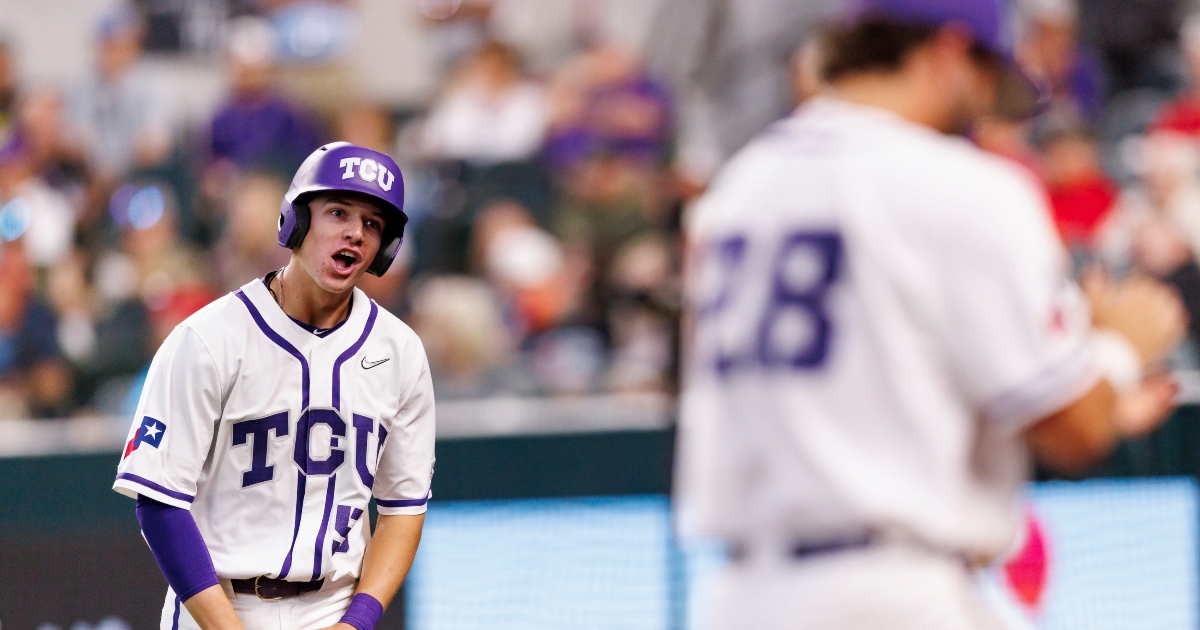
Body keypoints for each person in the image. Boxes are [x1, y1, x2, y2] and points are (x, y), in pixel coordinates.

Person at [673, 1, 1187, 629]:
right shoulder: (953, 184)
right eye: (983, 79)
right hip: (888, 591)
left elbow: (867, 396)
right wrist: (1115, 351)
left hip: (742, 596)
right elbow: (1074, 431)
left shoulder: (740, 191)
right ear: (946, 53)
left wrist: (1094, 393)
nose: (983, 110)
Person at [113, 142, 434, 630]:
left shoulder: (401, 353)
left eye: (372, 224)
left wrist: (359, 622)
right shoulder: (207, 340)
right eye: (338, 212)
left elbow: (402, 508)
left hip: (333, 608)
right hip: (218, 606)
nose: (354, 232)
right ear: (296, 221)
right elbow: (158, 504)